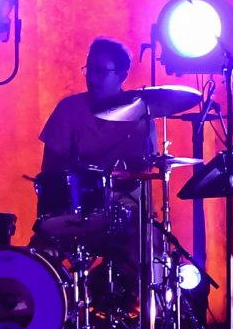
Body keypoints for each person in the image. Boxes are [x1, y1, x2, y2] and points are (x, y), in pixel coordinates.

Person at [32, 38, 153, 245]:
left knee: (148, 245)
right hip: (74, 205)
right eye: (89, 70)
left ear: (122, 76)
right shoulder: (69, 109)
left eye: (100, 72)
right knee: (38, 260)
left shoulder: (141, 115)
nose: (92, 78)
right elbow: (49, 170)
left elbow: (143, 170)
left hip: (123, 208)